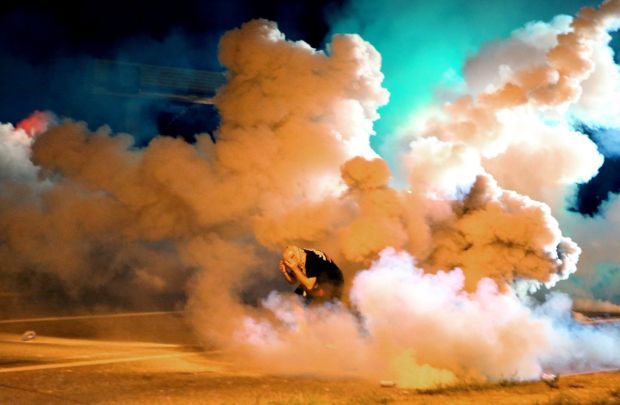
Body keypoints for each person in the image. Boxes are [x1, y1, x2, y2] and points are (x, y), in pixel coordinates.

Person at [278, 245, 344, 304]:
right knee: (296, 300)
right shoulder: (300, 256)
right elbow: (293, 281)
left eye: (288, 261)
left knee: (310, 299)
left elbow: (309, 285)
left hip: (333, 284)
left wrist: (295, 268)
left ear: (294, 256)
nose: (288, 264)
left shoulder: (311, 259)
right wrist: (285, 272)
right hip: (318, 282)